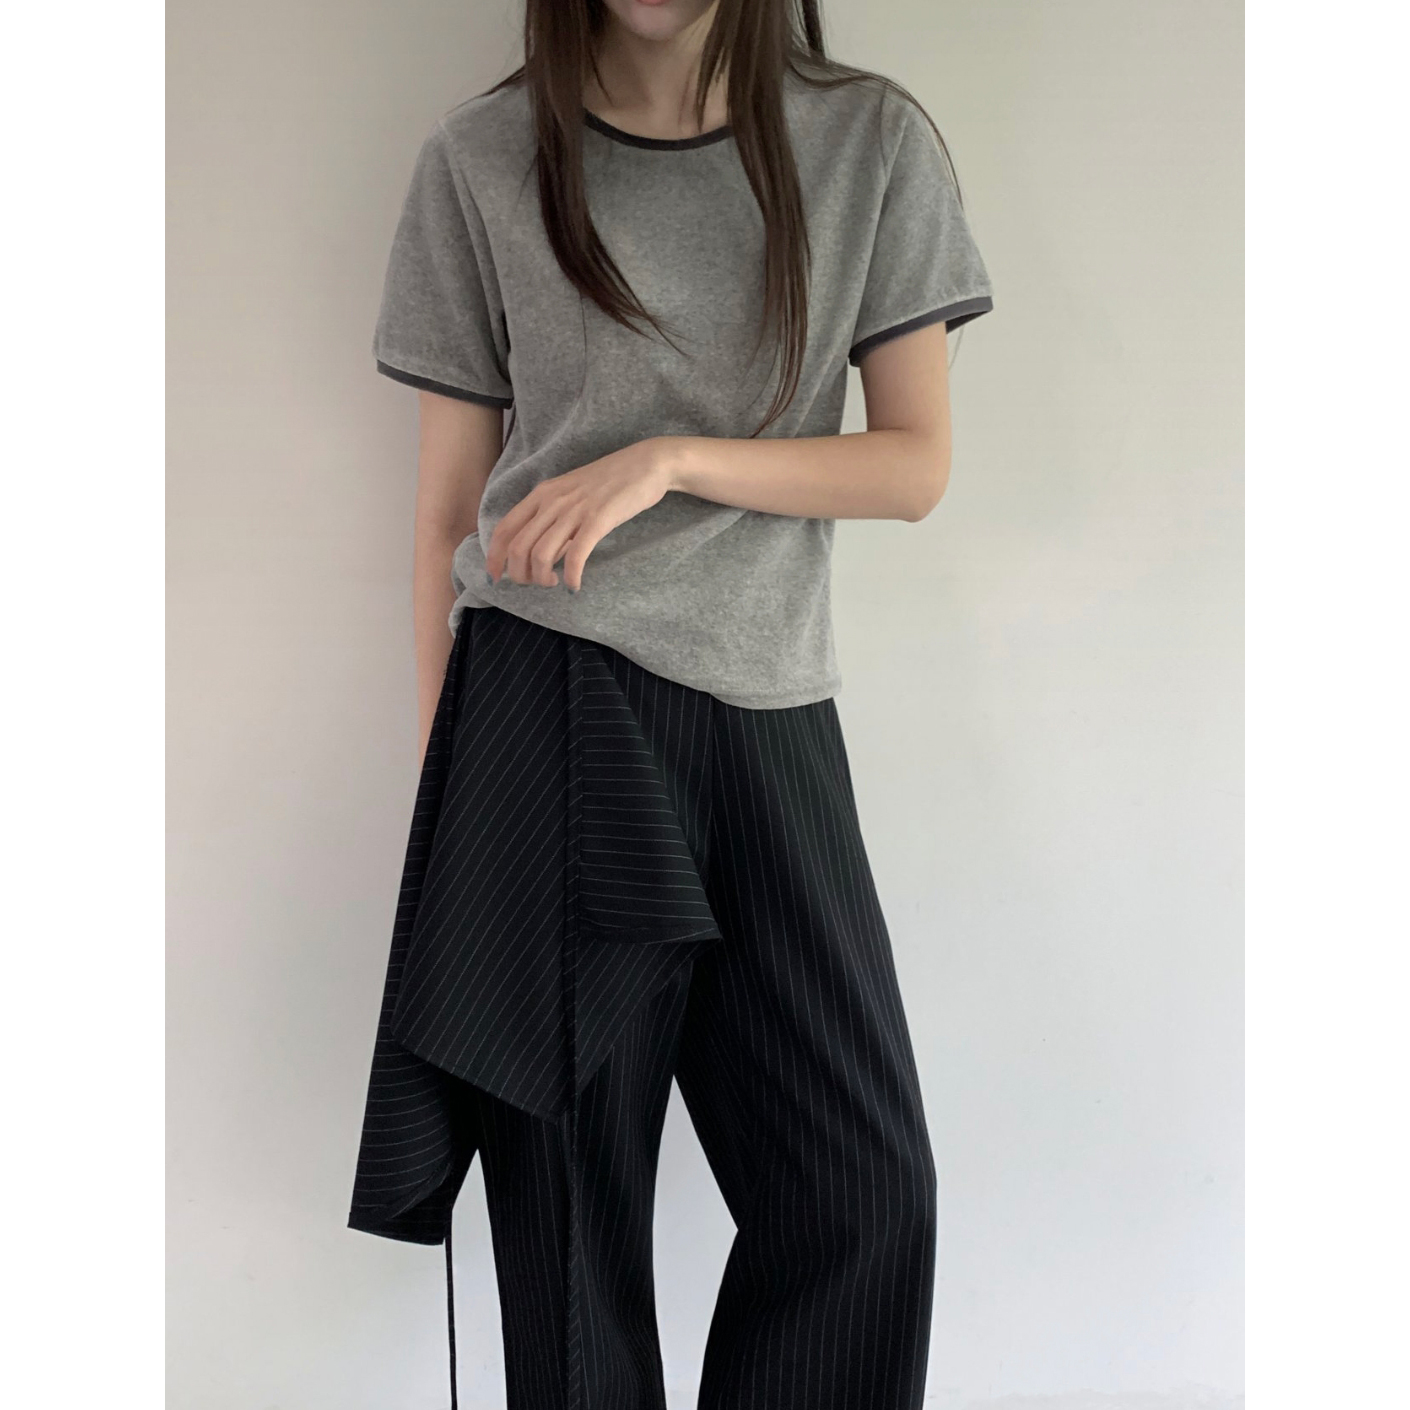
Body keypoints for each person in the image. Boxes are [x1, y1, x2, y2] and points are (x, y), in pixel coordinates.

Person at [348, 2, 995, 1407]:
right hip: (542, 715)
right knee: (569, 1247)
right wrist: (448, 799)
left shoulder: (866, 139)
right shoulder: (480, 158)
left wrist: (673, 459)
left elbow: (912, 463)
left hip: (771, 714)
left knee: (863, 1197)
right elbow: (446, 518)